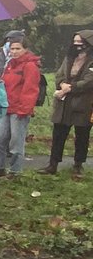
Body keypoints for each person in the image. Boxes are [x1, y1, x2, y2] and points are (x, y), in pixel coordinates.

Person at [40, 30, 93, 178]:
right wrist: (62, 84)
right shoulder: (69, 58)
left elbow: (89, 80)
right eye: (75, 42)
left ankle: (78, 165)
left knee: (82, 135)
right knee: (58, 134)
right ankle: (53, 164)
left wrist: (71, 88)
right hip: (64, 104)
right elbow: (60, 74)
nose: (77, 46)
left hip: (83, 104)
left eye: (80, 43)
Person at [0, 37, 41, 178]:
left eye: (18, 48)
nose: (15, 51)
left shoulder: (30, 66)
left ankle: (15, 171)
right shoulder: (9, 64)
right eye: (12, 49)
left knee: (16, 143)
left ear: (25, 49)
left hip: (19, 109)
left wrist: (24, 109)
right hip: (6, 107)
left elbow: (30, 89)